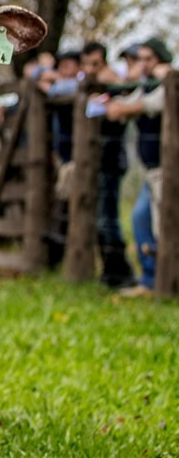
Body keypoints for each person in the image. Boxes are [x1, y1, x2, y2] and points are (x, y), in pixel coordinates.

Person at [105, 39, 174, 296]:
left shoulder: (168, 83)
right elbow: (129, 101)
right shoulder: (147, 85)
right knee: (141, 219)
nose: (142, 64)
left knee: (162, 225)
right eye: (140, 59)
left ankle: (165, 282)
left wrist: (124, 107)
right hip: (151, 172)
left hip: (168, 171)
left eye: (149, 59)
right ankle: (149, 279)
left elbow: (150, 104)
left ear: (162, 60)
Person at [80, 42, 136, 289]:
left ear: (105, 62)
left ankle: (121, 273)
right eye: (87, 64)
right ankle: (109, 272)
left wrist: (110, 82)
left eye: (96, 64)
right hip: (94, 162)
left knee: (108, 218)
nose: (91, 69)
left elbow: (126, 94)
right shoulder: (87, 85)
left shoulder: (115, 85)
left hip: (112, 160)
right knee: (99, 217)